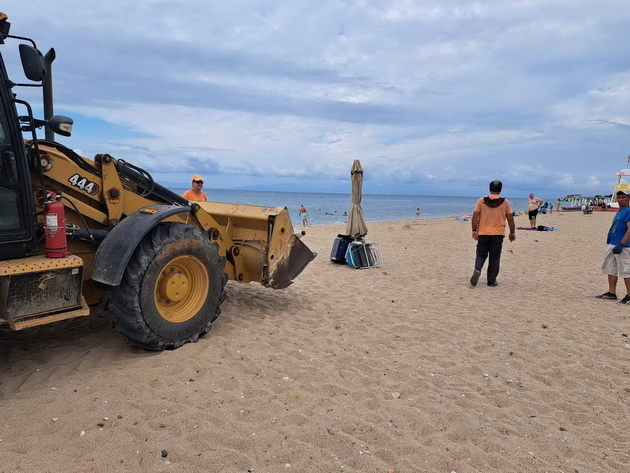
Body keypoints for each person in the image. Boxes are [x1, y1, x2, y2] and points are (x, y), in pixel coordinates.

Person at [470, 180, 516, 287]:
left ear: (489, 188)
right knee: (494, 258)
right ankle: (491, 281)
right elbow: (510, 219)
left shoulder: (481, 201)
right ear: (500, 190)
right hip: (498, 234)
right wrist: (512, 232)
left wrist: (474, 230)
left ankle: (477, 269)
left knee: (481, 254)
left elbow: (475, 216)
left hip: (483, 233)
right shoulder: (505, 202)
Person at [596, 190, 630, 303]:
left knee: (626, 271)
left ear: (628, 198)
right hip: (613, 243)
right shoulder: (619, 211)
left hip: (624, 246)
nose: (620, 199)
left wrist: (622, 243)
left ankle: (629, 296)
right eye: (619, 197)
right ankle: (611, 292)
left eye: (623, 197)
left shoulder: (628, 211)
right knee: (611, 268)